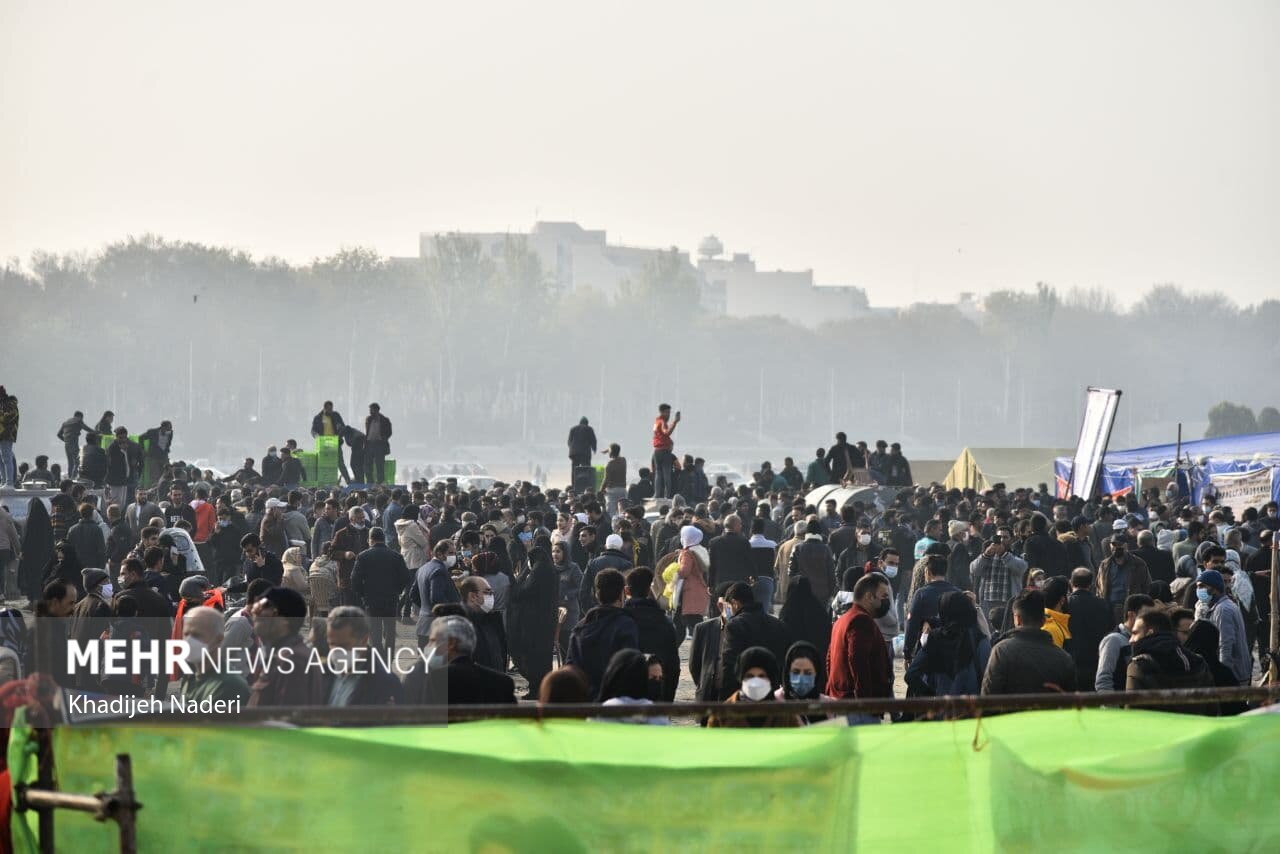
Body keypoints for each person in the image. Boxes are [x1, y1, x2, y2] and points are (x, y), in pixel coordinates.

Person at [980, 590, 1077, 695]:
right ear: (1044, 620)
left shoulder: (1001, 651)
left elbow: (988, 697)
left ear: (1017, 619)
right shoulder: (1063, 657)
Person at [405, 614, 516, 705]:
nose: (427, 646)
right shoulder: (504, 683)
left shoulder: (436, 678)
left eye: (433, 641)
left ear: (451, 643)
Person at [566, 567, 640, 698]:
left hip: (585, 702)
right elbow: (631, 668)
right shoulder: (626, 625)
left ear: (596, 594)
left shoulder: (580, 627)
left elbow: (570, 669)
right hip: (615, 702)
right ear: (621, 594)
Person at [1124, 607, 1214, 713]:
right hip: (1198, 728)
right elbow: (1212, 710)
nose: (1130, 640)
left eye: (1135, 633)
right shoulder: (1198, 662)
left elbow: (1134, 714)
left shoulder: (1138, 666)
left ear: (1149, 633)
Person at [905, 591, 991, 701]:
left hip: (941, 709)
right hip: (972, 709)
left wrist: (929, 695)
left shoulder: (935, 638)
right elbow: (988, 680)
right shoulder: (979, 640)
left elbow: (911, 675)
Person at [247, 586, 327, 706]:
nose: (255, 611)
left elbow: (287, 718)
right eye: (257, 606)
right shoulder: (283, 654)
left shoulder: (292, 660)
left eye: (264, 608)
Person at [507, 531, 559, 699]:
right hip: (544, 622)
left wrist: (521, 576)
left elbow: (520, 592)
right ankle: (542, 689)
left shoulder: (538, 572)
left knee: (534, 658)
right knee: (542, 659)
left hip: (535, 624)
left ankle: (538, 689)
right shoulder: (548, 569)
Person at [718, 581, 792, 699]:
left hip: (744, 693)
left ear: (735, 603)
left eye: (729, 607)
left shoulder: (735, 625)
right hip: (772, 692)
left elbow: (729, 664)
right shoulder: (778, 624)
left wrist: (726, 698)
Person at [826, 572, 893, 700]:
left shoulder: (843, 619)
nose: (886, 601)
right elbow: (857, 660)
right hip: (856, 707)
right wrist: (864, 699)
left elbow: (830, 659)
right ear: (869, 597)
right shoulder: (861, 621)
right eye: (883, 596)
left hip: (840, 700)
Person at [351, 527, 410, 661]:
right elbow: (406, 577)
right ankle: (388, 660)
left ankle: (378, 658)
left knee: (374, 633)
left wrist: (362, 594)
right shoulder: (396, 556)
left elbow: (354, 580)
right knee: (390, 632)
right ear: (384, 539)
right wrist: (397, 590)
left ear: (370, 540)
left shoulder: (363, 556)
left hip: (371, 600)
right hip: (391, 599)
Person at [325, 606, 403, 706]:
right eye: (332, 644)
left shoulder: (385, 683)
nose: (336, 651)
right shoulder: (324, 674)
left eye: (344, 645)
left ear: (363, 640)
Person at [706, 646, 801, 728]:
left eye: (762, 676)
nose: (756, 682)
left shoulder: (786, 715)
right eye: (749, 676)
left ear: (771, 679)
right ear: (741, 678)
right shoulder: (721, 715)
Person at [623, 568, 680, 702]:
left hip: (626, 698)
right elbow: (673, 665)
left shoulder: (621, 620)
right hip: (657, 694)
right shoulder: (665, 622)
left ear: (627, 591)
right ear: (650, 590)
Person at [176, 605, 251, 706]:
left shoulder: (230, 686)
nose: (189, 641)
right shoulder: (191, 678)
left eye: (197, 635)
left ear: (219, 639)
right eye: (186, 634)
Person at [1194, 568, 1251, 685]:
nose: (1199, 590)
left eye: (1202, 586)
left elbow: (1225, 645)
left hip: (1233, 674)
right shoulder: (1222, 606)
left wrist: (1224, 676)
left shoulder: (1223, 609)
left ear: (1214, 588)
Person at [904, 555, 959, 665]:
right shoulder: (957, 592)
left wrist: (908, 652)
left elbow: (912, 624)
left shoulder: (921, 593)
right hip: (953, 648)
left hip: (927, 646)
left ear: (927, 572)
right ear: (945, 572)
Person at [1064, 567, 1112, 692]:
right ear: (1091, 584)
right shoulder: (1103, 604)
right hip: (1096, 661)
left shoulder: (1065, 605)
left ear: (1071, 582)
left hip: (1070, 660)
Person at [1095, 593, 1155, 691]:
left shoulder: (1147, 638)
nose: (1150, 621)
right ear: (1131, 615)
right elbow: (1103, 681)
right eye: (1146, 616)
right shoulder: (1114, 640)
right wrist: (1112, 706)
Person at [596, 648, 668, 725]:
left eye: (660, 678)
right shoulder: (658, 718)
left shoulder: (599, 713)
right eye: (652, 678)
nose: (657, 683)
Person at [1096, 535, 1153, 625]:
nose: (1115, 547)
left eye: (1119, 544)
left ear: (1126, 546)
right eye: (1113, 544)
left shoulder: (1138, 563)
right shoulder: (1104, 565)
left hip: (1132, 609)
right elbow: (1099, 588)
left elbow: (1147, 586)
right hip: (1110, 610)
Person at [414, 540, 462, 645]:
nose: (453, 556)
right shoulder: (439, 570)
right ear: (439, 554)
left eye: (454, 553)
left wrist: (425, 608)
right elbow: (436, 597)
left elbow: (413, 594)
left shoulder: (422, 568)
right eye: (450, 553)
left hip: (423, 624)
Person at [459, 575, 507, 673]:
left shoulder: (489, 619)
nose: (491, 596)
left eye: (492, 593)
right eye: (487, 592)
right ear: (472, 596)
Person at [777, 641, 832, 723]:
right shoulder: (776, 702)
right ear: (787, 673)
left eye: (808, 673)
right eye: (795, 672)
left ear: (816, 674)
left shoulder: (829, 706)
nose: (800, 678)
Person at [788, 519, 837, 605]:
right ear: (820, 533)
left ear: (806, 533)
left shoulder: (797, 548)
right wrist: (831, 592)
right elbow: (831, 574)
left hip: (802, 593)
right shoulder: (826, 549)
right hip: (822, 594)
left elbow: (791, 572)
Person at [675, 525, 711, 635]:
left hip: (689, 592)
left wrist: (673, 571)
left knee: (685, 624)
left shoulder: (687, 553)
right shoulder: (701, 550)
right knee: (696, 623)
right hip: (699, 588)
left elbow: (684, 571)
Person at [551, 540, 583, 654]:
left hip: (570, 611)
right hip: (553, 610)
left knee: (567, 643)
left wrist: (568, 595)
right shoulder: (550, 568)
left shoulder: (573, 568)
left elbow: (582, 587)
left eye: (558, 551)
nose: (555, 554)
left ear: (565, 553)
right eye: (553, 551)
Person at [651, 404, 680, 500]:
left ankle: (657, 494)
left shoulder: (656, 422)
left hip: (657, 451)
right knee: (667, 474)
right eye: (667, 412)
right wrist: (675, 422)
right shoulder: (662, 422)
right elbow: (666, 432)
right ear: (662, 412)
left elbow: (660, 436)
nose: (668, 415)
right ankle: (667, 496)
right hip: (664, 452)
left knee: (658, 474)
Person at [67, 501, 107, 572]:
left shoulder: (72, 529)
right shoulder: (97, 529)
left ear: (81, 514)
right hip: (94, 567)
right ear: (92, 514)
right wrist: (102, 567)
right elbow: (102, 550)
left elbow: (68, 550)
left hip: (76, 567)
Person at [364, 403, 392, 484]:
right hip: (369, 444)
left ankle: (380, 482)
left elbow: (389, 432)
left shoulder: (384, 420)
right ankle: (370, 482)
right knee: (367, 465)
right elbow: (367, 432)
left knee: (379, 465)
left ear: (376, 410)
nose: (370, 411)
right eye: (370, 410)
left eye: (371, 409)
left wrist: (382, 438)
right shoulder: (368, 419)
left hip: (379, 445)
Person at [57, 411, 89, 478]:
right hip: (74, 444)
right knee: (77, 462)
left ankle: (69, 479)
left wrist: (66, 440)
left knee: (70, 463)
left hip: (67, 445)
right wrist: (95, 432)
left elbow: (59, 435)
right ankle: (73, 478)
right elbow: (86, 428)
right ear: (80, 416)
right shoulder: (78, 420)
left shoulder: (65, 423)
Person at [601, 443, 627, 514]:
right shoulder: (623, 461)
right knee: (622, 511)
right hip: (622, 489)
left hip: (612, 491)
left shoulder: (609, 465)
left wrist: (601, 490)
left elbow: (606, 480)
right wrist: (609, 450)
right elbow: (618, 454)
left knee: (611, 512)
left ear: (611, 452)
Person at [0, 387, 17, 488]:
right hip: (1, 434)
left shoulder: (10, 403)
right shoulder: (2, 403)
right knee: (1, 459)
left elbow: (9, 417)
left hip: (7, 434)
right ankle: (3, 481)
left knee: (6, 458)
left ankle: (9, 482)